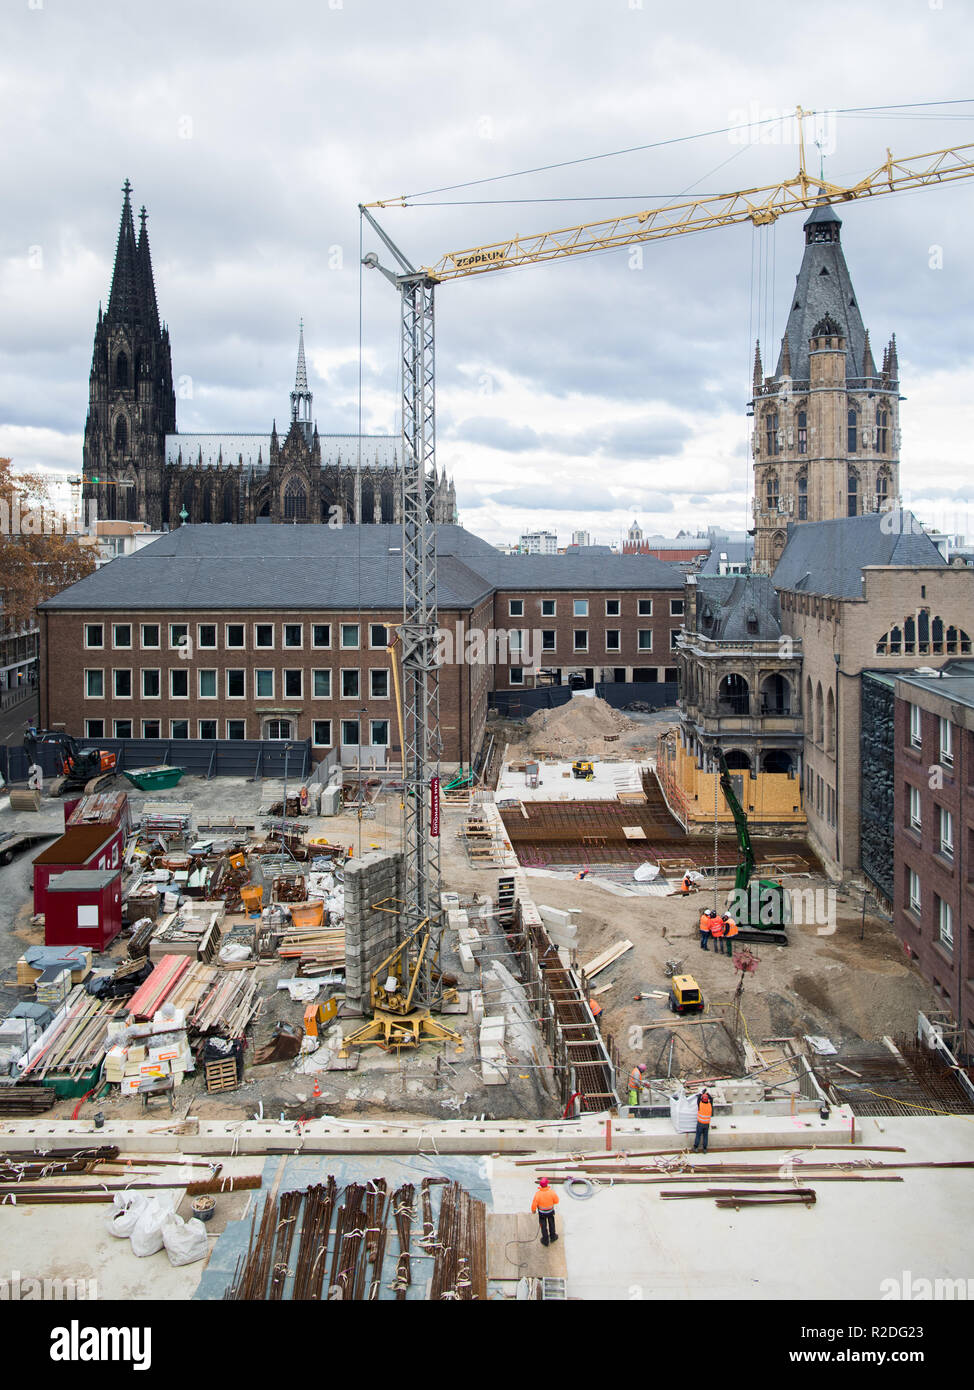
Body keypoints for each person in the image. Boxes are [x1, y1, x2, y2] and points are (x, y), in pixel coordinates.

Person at [531, 1177, 559, 1246]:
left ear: (540, 1185)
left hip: (542, 1213)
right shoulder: (552, 1192)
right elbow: (556, 1201)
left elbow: (534, 1203)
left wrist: (533, 1210)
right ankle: (553, 1237)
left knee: (543, 1226)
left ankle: (545, 1240)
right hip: (550, 1212)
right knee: (551, 1224)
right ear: (547, 1184)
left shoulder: (538, 1194)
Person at [692, 1088, 714, 1152]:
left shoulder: (700, 1105)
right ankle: (704, 1149)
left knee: (698, 1135)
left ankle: (695, 1147)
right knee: (705, 1136)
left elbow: (698, 1098)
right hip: (706, 1124)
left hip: (700, 1123)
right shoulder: (710, 1105)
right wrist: (707, 1094)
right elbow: (711, 1099)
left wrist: (702, 1093)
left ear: (702, 1099)